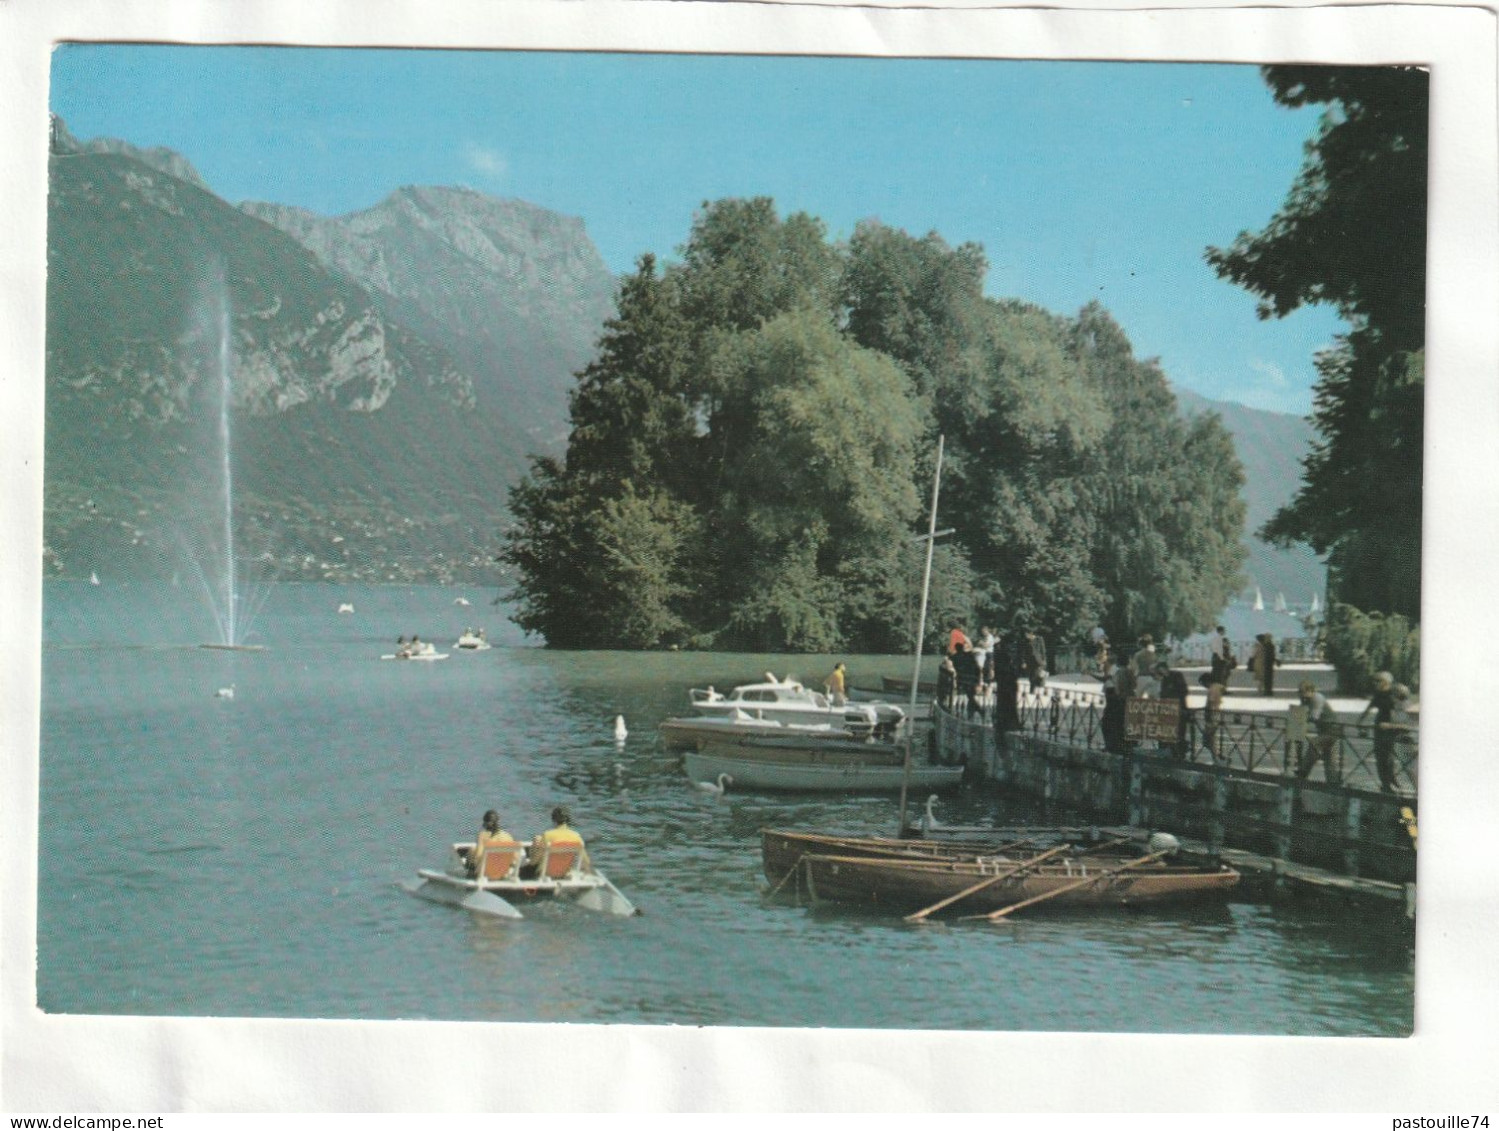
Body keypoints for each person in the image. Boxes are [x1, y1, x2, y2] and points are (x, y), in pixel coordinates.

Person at [1358, 671, 1403, 792]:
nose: (1375, 683)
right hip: (1379, 727)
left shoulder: (1393, 694)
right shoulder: (1378, 694)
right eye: (1375, 681)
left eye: (1378, 681)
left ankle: (1391, 781)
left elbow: (1399, 712)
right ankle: (1385, 783)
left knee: (1388, 757)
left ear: (1385, 682)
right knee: (1380, 756)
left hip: (1390, 728)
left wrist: (1393, 725)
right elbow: (1368, 708)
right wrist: (1360, 722)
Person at [521, 806, 589, 879]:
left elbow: (535, 861)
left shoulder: (548, 835)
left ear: (554, 819)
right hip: (564, 873)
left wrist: (530, 858)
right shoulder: (577, 837)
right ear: (568, 820)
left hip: (545, 873)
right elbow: (586, 862)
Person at [1296, 680, 1342, 785]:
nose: (1302, 695)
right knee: (1329, 758)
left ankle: (1303, 772)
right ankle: (1333, 782)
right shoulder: (1305, 698)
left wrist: (1300, 718)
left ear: (1311, 691)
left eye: (1303, 692)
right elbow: (1302, 711)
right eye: (1300, 692)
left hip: (1332, 729)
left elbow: (1314, 716)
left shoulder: (1317, 698)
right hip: (1323, 730)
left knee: (1314, 744)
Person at [462, 809, 517, 877]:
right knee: (473, 850)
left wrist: (472, 864)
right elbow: (514, 858)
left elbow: (478, 856)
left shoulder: (483, 836)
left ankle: (469, 879)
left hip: (487, 873)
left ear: (485, 823)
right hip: (505, 872)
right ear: (497, 821)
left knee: (472, 853)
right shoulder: (507, 836)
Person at [1156, 661, 1190, 758]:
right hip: (1168, 709)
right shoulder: (1165, 679)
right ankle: (1171, 751)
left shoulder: (1176, 675)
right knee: (1170, 731)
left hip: (1179, 708)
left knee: (1179, 731)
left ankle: (1179, 752)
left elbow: (1183, 691)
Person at [953, 641, 982, 719]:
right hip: (970, 678)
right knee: (970, 696)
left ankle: (976, 710)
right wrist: (978, 678)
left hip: (965, 679)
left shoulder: (956, 657)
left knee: (970, 696)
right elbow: (977, 668)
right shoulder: (969, 655)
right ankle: (974, 711)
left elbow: (976, 667)